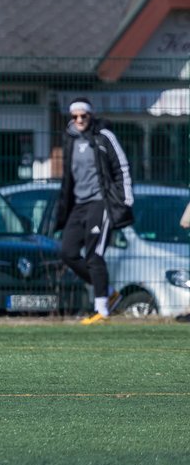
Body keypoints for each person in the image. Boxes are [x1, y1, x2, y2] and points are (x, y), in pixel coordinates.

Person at [53, 98, 134, 325]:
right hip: (79, 205)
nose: (79, 120)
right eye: (75, 117)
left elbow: (122, 167)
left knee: (94, 255)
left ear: (91, 115)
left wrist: (125, 199)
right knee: (68, 252)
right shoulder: (69, 140)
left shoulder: (104, 136)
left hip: (101, 202)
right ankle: (109, 292)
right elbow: (69, 178)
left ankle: (102, 310)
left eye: (83, 116)